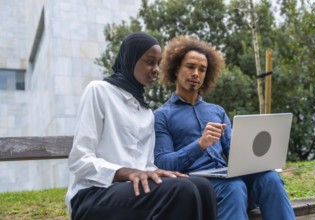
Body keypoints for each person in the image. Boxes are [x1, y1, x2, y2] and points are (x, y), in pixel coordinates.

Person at [65, 32, 217, 220]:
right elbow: (79, 160)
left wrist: (155, 172)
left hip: (132, 191)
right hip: (93, 194)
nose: (156, 69)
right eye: (149, 61)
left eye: (158, 63)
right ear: (131, 59)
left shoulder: (146, 112)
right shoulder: (99, 91)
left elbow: (144, 166)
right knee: (182, 190)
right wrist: (126, 173)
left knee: (203, 187)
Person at [154, 35, 296, 220]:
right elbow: (163, 163)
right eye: (190, 66)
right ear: (175, 70)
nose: (196, 73)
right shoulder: (161, 116)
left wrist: (261, 159)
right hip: (197, 188)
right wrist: (200, 145)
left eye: (202, 69)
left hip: (229, 180)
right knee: (234, 186)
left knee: (270, 178)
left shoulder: (217, 112)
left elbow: (234, 153)